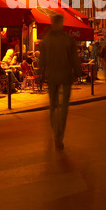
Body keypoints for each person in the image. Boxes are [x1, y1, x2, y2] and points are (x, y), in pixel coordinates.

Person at [39, 14, 82, 150]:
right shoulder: (68, 39)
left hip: (52, 77)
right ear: (61, 23)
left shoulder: (46, 40)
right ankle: (59, 136)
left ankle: (56, 131)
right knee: (63, 108)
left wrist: (41, 74)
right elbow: (74, 58)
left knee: (53, 105)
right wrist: (78, 72)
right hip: (65, 76)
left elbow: (42, 59)